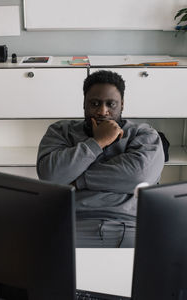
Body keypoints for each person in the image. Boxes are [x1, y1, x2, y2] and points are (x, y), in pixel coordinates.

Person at [37, 70, 164, 247]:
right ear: (84, 104)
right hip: (70, 222)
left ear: (122, 105)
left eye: (110, 104)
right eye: (94, 103)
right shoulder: (60, 131)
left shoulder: (143, 134)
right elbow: (50, 175)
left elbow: (139, 177)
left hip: (129, 224)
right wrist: (98, 141)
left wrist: (77, 179)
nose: (102, 111)